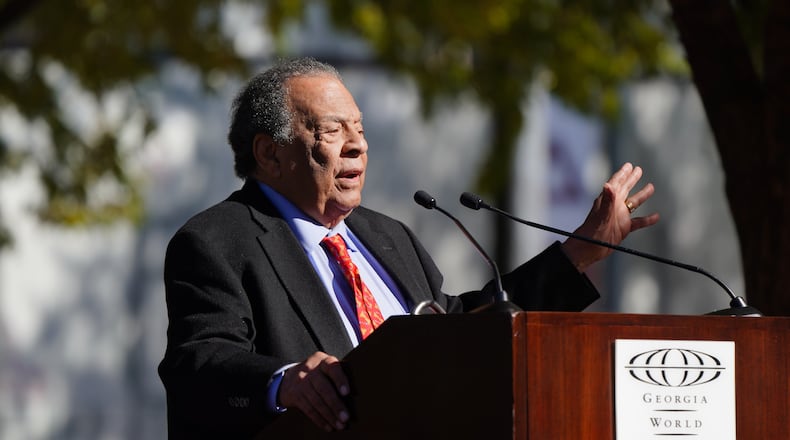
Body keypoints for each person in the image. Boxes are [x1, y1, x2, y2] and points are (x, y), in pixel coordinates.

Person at [158, 57, 659, 439]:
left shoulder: (388, 236)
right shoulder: (218, 240)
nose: (358, 145)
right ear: (270, 153)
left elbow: (464, 331)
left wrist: (580, 252)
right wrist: (285, 380)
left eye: (359, 128)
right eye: (332, 131)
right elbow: (196, 365)